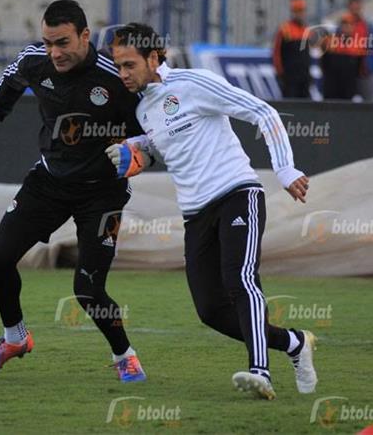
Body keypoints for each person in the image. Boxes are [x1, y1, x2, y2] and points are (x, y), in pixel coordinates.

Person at [106, 23, 318, 400]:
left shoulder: (193, 83)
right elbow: (163, 144)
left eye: (128, 65)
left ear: (153, 58)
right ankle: (293, 343)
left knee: (240, 281)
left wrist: (285, 169)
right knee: (210, 310)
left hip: (238, 194)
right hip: (195, 215)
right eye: (117, 65)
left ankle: (260, 372)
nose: (122, 74)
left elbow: (262, 112)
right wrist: (136, 150)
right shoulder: (144, 108)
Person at [0, 0, 147, 381]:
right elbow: (9, 85)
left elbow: (150, 127)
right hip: (50, 182)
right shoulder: (35, 61)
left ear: (85, 36)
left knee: (88, 289)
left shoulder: (117, 76)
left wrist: (140, 154)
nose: (53, 53)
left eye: (62, 43)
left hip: (103, 193)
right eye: (47, 43)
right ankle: (15, 338)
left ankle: (124, 354)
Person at [272, 0, 312, 99]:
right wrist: (281, 73)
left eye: (302, 11)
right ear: (293, 13)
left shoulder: (306, 29)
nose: (301, 14)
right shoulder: (285, 29)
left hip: (304, 75)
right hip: (289, 76)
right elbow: (276, 53)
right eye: (298, 11)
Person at [346, 0, 373, 102]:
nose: (355, 11)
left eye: (357, 8)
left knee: (369, 103)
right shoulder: (342, 27)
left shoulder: (369, 27)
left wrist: (372, 67)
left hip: (365, 72)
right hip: (348, 73)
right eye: (353, 8)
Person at [319, 13, 360, 100]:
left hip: (348, 92)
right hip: (331, 91)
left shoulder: (357, 46)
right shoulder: (330, 42)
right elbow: (323, 62)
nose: (346, 28)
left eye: (349, 25)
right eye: (344, 25)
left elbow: (358, 70)